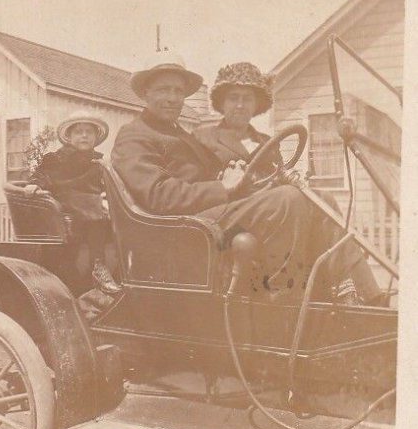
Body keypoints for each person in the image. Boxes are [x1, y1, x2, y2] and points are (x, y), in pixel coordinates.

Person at [111, 52, 325, 300]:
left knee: (314, 199)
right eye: (163, 90)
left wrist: (232, 178)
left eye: (178, 91)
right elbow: (159, 196)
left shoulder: (178, 133)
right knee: (287, 199)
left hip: (204, 215)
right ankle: (283, 299)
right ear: (145, 93)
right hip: (181, 228)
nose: (172, 98)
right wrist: (221, 187)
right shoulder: (134, 134)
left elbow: (204, 176)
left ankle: (357, 294)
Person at [193, 62, 383, 304]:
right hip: (236, 217)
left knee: (323, 198)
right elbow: (201, 188)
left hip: (275, 211)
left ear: (257, 104)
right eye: (233, 98)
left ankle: (363, 293)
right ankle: (284, 300)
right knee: (289, 200)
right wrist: (225, 179)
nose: (240, 105)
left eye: (247, 99)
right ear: (221, 102)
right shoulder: (204, 138)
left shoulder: (264, 141)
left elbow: (278, 176)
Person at [27, 111, 121, 296]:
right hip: (64, 205)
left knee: (108, 212)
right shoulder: (55, 159)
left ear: (96, 138)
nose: (84, 135)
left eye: (89, 132)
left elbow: (110, 184)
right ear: (68, 137)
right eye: (79, 132)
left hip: (92, 210)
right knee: (95, 206)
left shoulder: (98, 162)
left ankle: (114, 268)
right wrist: (34, 185)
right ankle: (98, 264)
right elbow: (42, 176)